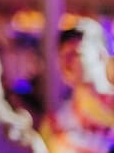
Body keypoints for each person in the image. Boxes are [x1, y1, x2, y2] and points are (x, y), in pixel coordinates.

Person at [39, 16, 114, 153]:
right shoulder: (55, 123)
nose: (66, 62)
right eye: (61, 55)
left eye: (75, 53)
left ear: (100, 55)